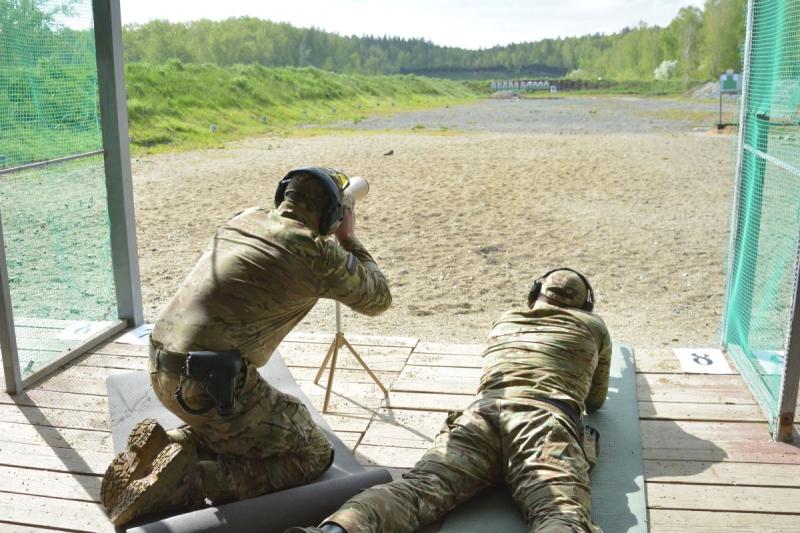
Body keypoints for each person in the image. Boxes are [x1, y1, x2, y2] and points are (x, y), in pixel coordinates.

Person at [101, 167, 392, 526]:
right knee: (314, 451)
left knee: (246, 428)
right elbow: (379, 298)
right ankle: (192, 479)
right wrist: (348, 239)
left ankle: (171, 444)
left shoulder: (244, 218)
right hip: (214, 387)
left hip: (162, 366)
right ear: (334, 214)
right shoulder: (319, 255)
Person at [291, 268, 610, 533]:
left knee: (416, 490)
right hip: (542, 423)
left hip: (481, 416)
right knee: (558, 513)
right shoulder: (593, 327)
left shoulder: (507, 318)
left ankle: (335, 531)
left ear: (535, 291)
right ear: (585, 306)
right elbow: (595, 400)